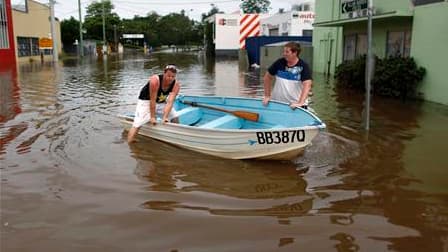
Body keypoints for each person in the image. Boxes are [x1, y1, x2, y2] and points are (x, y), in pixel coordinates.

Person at [127, 64, 180, 143]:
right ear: (164, 73)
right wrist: (152, 117)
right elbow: (152, 100)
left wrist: (165, 117)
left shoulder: (176, 85)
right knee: (138, 124)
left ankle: (177, 136)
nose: (171, 79)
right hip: (146, 101)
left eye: (173, 76)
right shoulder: (155, 80)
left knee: (175, 116)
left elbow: (170, 102)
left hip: (161, 101)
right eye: (169, 76)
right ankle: (130, 141)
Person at [262, 41, 312, 109]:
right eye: (284, 51)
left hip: (295, 106)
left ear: (295, 53)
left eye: (287, 52)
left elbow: (307, 85)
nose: (284, 54)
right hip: (278, 103)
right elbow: (267, 77)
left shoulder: (303, 66)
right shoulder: (279, 62)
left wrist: (300, 102)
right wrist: (267, 95)